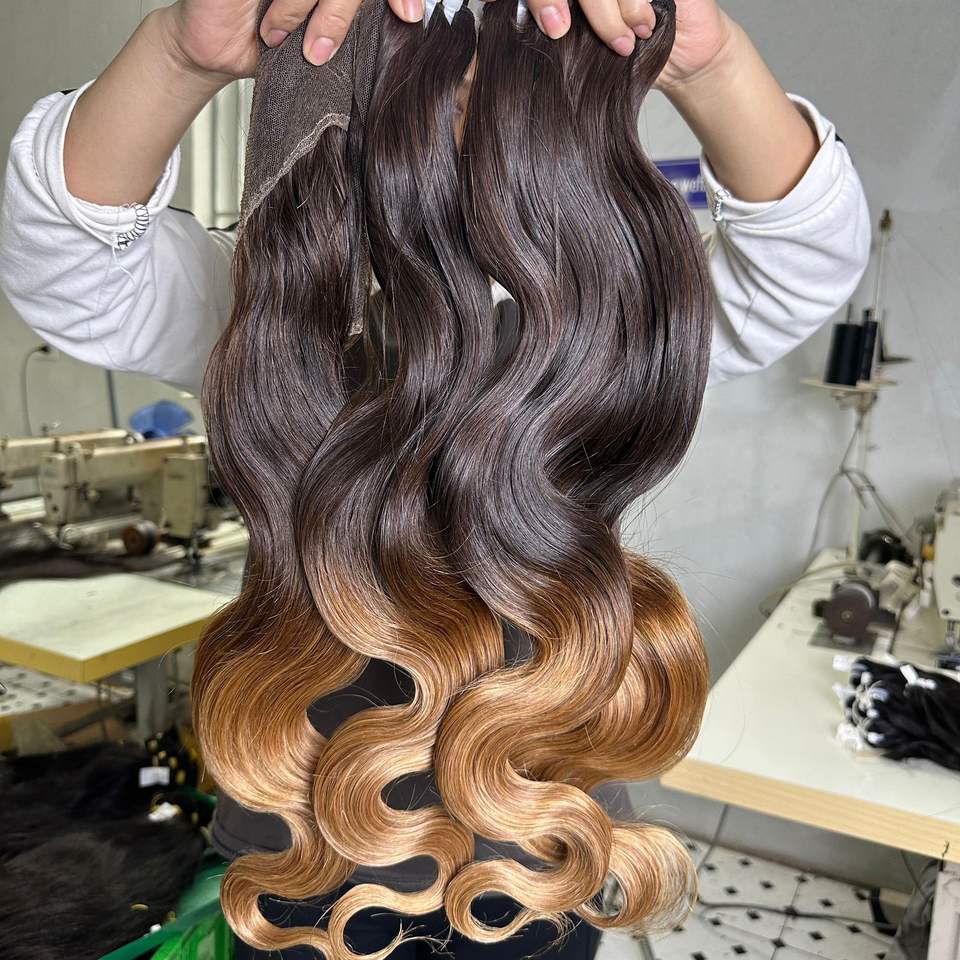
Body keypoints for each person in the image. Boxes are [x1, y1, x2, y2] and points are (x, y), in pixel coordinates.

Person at [0, 0, 870, 957]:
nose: (463, 125)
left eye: (496, 90)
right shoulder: (285, 311)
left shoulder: (600, 330)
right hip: (302, 846)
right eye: (425, 87)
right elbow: (70, 265)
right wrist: (180, 53)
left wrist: (709, 65)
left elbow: (797, 262)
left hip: (538, 844)